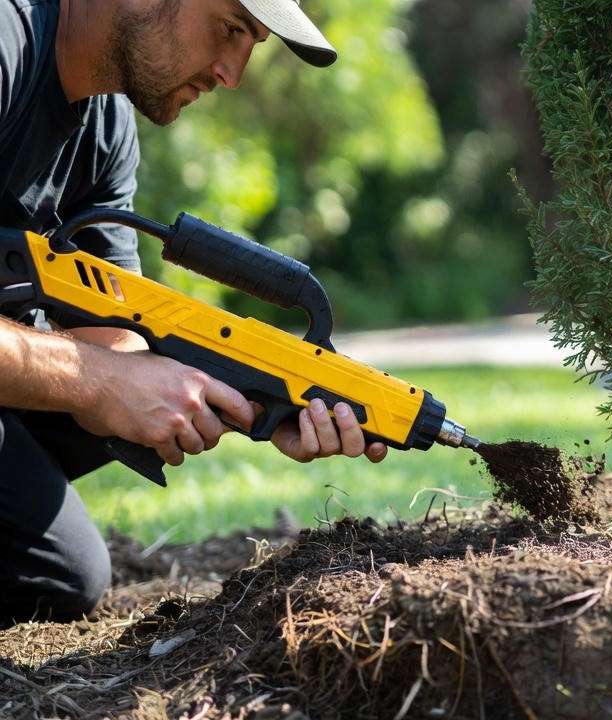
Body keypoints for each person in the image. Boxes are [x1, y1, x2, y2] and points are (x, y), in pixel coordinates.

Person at [0, 0, 387, 627]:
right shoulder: (6, 42)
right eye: (230, 29)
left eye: (251, 44)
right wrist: (95, 379)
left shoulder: (105, 131)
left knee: (56, 574)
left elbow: (116, 343)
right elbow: (99, 373)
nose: (232, 73)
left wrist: (259, 395)